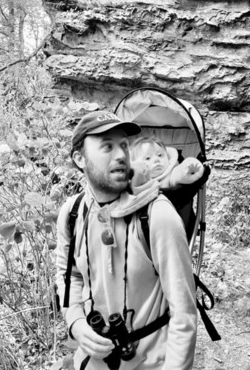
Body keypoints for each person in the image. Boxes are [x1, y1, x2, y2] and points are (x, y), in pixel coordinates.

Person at [56, 111, 198, 370]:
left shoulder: (158, 215)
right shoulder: (72, 213)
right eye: (107, 146)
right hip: (92, 361)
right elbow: (69, 276)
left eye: (123, 145)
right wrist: (76, 322)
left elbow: (184, 314)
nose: (121, 154)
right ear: (80, 159)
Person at [129, 136, 204, 196]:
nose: (156, 160)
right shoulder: (136, 177)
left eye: (160, 155)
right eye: (148, 158)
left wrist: (188, 168)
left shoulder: (170, 174)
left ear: (168, 157)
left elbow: (179, 173)